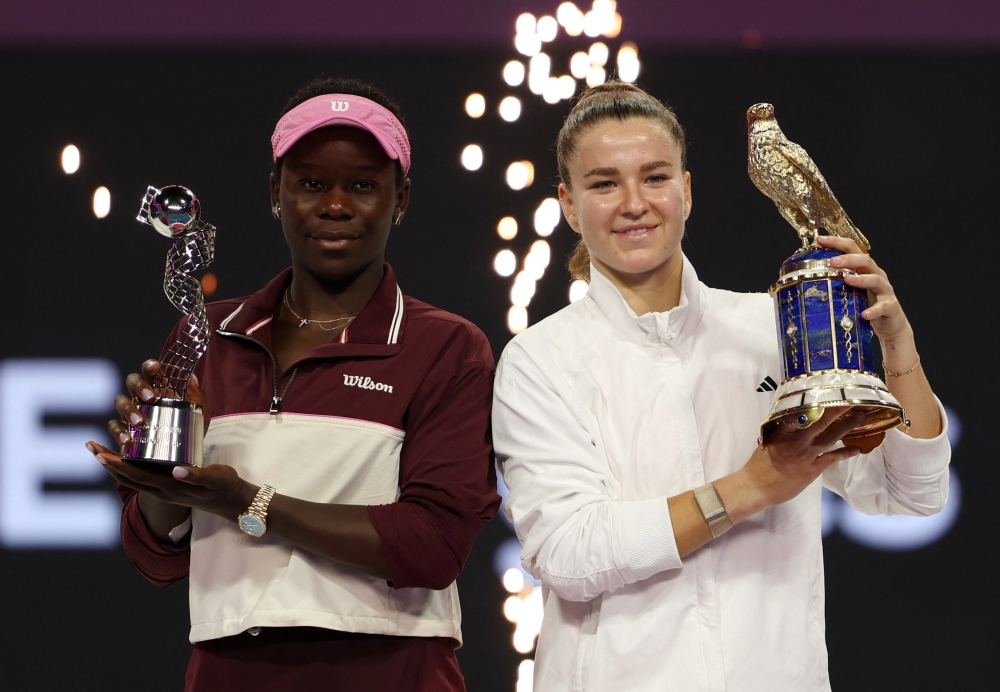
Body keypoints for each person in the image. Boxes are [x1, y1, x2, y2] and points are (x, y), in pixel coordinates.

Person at [491, 82, 951, 691]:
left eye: (655, 178)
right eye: (604, 183)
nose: (634, 203)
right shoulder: (540, 359)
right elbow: (568, 553)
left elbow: (908, 494)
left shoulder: (772, 328)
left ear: (686, 191)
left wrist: (897, 350)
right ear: (570, 205)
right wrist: (754, 485)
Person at [85, 77, 499, 691]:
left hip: (392, 673)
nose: (335, 205)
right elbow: (156, 557)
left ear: (401, 198)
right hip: (227, 673)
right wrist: (161, 484)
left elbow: (433, 546)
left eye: (363, 184)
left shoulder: (446, 346)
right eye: (310, 183)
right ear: (276, 192)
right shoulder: (208, 335)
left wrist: (247, 502)